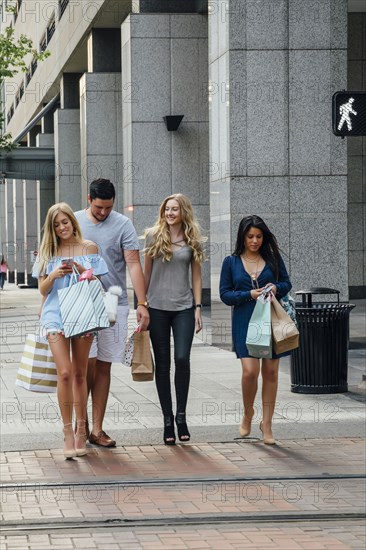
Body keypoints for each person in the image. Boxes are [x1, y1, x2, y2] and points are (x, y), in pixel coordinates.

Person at [75, 178, 149, 448]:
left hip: (112, 303)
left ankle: (96, 429)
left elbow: (133, 263)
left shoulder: (123, 224)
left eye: (108, 207)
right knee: (85, 366)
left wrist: (142, 302)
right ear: (88, 199)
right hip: (81, 303)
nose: (104, 212)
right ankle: (80, 426)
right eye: (98, 208)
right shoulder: (73, 221)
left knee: (104, 364)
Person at [32, 202, 108, 459]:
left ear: (72, 222)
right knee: (64, 372)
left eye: (65, 222)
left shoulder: (89, 248)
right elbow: (42, 290)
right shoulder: (46, 251)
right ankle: (66, 431)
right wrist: (53, 275)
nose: (61, 227)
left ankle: (81, 431)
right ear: (51, 228)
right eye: (56, 224)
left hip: (83, 315)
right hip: (56, 316)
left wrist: (82, 270)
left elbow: (99, 282)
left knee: (79, 373)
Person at [219, 215, 292, 445]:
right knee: (250, 372)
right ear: (242, 237)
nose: (254, 241)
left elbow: (286, 283)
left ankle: (267, 424)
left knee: (270, 372)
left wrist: (274, 287)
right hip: (245, 322)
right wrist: (248, 294)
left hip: (271, 321)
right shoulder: (231, 262)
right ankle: (248, 412)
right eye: (250, 236)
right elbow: (225, 294)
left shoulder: (272, 258)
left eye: (259, 236)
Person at [143, 194, 205, 445]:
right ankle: (167, 419)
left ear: (183, 212)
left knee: (182, 358)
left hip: (184, 308)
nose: (169, 213)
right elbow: (146, 274)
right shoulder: (152, 237)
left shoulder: (193, 241)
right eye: (167, 209)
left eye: (174, 209)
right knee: (163, 364)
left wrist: (198, 307)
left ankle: (181, 416)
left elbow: (197, 277)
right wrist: (141, 304)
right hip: (157, 307)